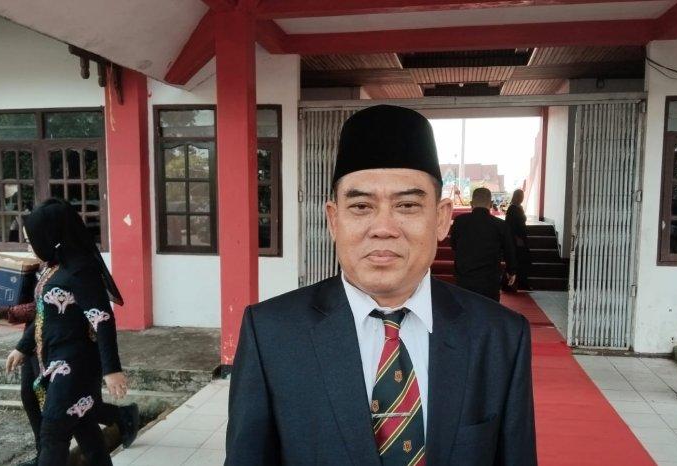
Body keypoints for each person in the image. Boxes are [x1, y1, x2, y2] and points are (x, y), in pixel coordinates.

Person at [226, 105, 536, 466]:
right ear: (333, 220)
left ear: (441, 219)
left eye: (407, 205)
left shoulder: (499, 336)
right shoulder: (271, 334)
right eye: (361, 206)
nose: (383, 228)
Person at [7, 198, 128, 466]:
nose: (29, 246)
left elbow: (102, 320)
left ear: (51, 236)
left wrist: (112, 369)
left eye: (31, 240)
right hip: (54, 360)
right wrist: (23, 347)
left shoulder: (81, 270)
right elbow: (45, 313)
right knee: (85, 428)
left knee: (53, 432)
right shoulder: (54, 266)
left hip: (75, 366)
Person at [0, 295, 139, 466]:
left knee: (62, 424)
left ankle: (119, 417)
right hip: (41, 339)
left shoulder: (77, 278)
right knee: (62, 409)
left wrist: (111, 369)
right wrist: (22, 342)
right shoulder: (54, 278)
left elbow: (97, 317)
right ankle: (119, 418)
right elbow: (43, 306)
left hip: (68, 352)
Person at [450, 187, 517, 302]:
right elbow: (509, 251)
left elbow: (454, 245)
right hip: (490, 281)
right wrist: (511, 271)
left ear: (471, 204)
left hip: (464, 279)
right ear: (491, 204)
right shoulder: (500, 225)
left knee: (464, 309)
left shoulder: (460, 221)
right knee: (489, 310)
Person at [505, 189, 532, 291]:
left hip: (521, 237)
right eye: (520, 196)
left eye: (522, 196)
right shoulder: (512, 208)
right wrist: (517, 238)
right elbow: (510, 225)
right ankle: (513, 284)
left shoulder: (518, 207)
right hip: (516, 239)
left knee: (522, 261)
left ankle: (520, 283)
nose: (522, 198)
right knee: (519, 261)